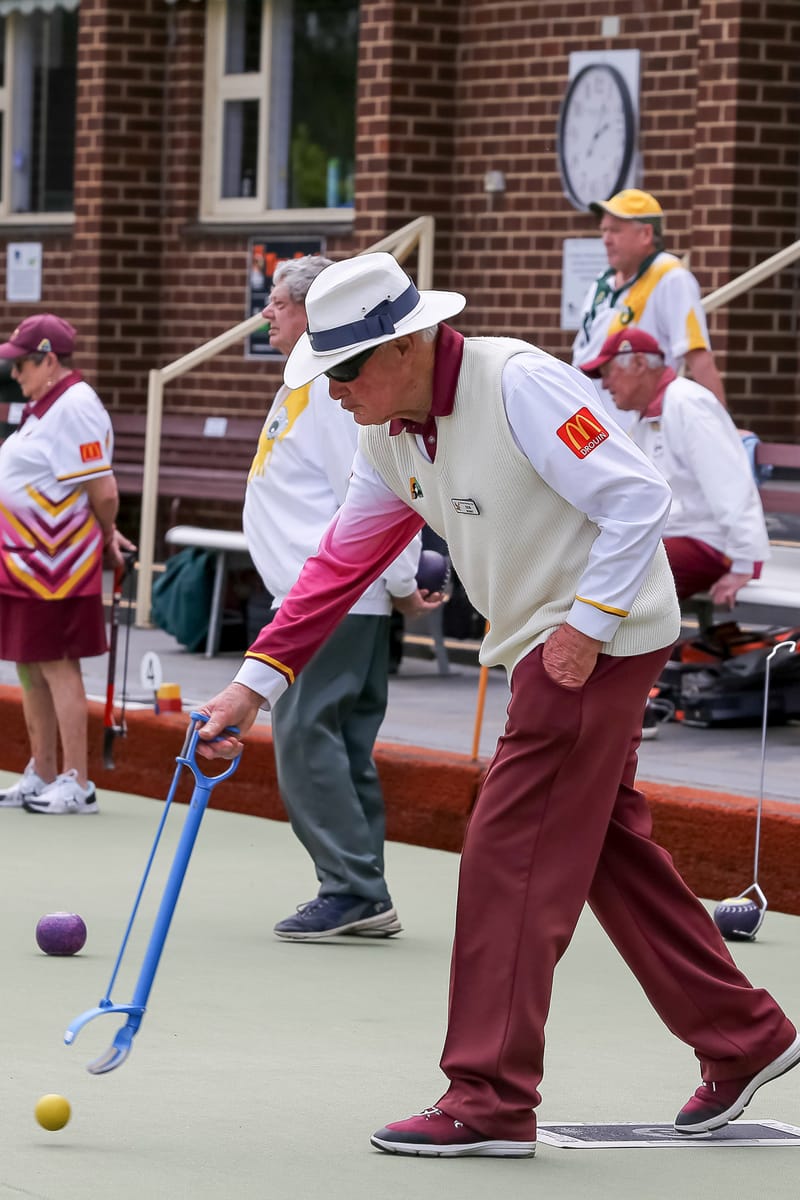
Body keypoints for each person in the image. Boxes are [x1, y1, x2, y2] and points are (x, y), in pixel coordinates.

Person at [196, 253, 799, 1158]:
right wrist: (250, 688)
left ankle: (489, 1096)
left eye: (345, 369)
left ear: (406, 345)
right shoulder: (386, 432)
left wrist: (586, 627)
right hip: (544, 644)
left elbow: (640, 497)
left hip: (594, 642)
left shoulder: (518, 383)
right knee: (606, 851)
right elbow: (338, 567)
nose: (333, 392)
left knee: (507, 856)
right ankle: (745, 1033)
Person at [243, 255, 431, 941]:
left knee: (305, 738)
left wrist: (402, 583)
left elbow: (375, 491)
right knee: (342, 746)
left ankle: (352, 889)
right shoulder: (308, 383)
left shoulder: (335, 391)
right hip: (331, 598)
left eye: (279, 302)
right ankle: (361, 887)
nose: (267, 312)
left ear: (313, 308)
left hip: (330, 601)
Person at [0, 314, 134, 815]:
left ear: (49, 360)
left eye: (22, 364)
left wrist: (106, 534)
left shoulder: (75, 406)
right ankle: (43, 770)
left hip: (55, 564)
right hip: (24, 561)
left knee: (57, 663)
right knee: (29, 664)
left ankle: (77, 781)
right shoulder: (43, 406)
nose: (15, 373)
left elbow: (104, 489)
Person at [580, 327, 770, 609]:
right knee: (591, 569)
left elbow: (730, 484)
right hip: (676, 538)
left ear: (639, 363)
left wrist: (743, 563)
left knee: (610, 580)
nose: (605, 385)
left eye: (608, 372)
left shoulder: (689, 404)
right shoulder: (649, 415)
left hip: (709, 544)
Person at [571, 188, 726, 425]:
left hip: (635, 429)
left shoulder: (671, 277)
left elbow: (698, 357)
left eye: (615, 230)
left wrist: (722, 426)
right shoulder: (603, 281)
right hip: (589, 422)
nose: (606, 239)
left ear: (646, 234)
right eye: (603, 230)